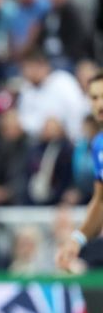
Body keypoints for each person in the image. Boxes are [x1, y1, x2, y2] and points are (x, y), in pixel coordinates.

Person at [57, 73, 103, 272]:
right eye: (94, 98)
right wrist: (77, 239)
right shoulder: (99, 144)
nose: (100, 104)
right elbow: (101, 201)